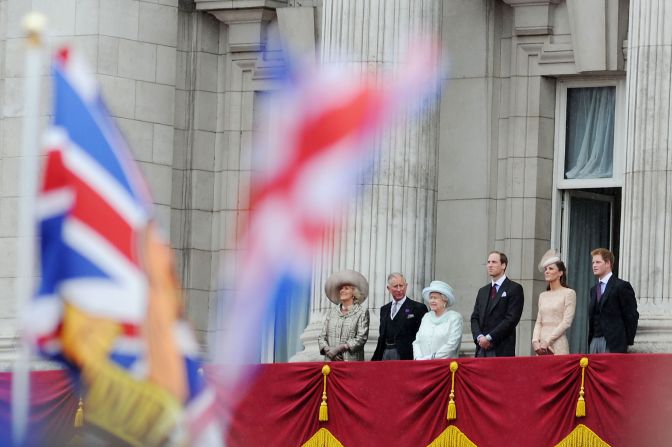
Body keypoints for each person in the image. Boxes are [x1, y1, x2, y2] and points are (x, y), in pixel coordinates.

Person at [470, 251, 524, 357]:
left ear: (503, 265)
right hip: (481, 349)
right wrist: (480, 337)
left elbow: (511, 319)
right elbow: (474, 317)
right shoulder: (483, 291)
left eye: (494, 262)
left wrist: (489, 338)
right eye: (488, 262)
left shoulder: (514, 288)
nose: (490, 265)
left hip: (501, 349)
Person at [588, 248, 639, 353]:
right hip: (595, 340)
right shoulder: (594, 290)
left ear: (608, 263)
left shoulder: (621, 286)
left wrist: (625, 342)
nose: (594, 265)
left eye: (598, 262)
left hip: (614, 343)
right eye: (593, 262)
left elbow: (631, 315)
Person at [372, 272, 428, 361]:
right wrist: (375, 360)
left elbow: (423, 336)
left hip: (406, 355)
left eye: (401, 286)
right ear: (388, 288)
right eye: (395, 286)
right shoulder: (384, 309)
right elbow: (381, 337)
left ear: (406, 286)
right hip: (385, 353)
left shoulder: (418, 308)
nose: (399, 289)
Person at [318, 270, 370, 361]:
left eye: (346, 288)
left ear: (354, 293)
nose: (342, 290)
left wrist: (339, 349)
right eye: (341, 289)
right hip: (330, 361)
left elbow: (361, 338)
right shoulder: (332, 312)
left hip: (351, 362)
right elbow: (322, 337)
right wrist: (329, 351)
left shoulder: (361, 312)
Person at [531, 250, 576, 355]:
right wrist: (535, 341)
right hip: (541, 345)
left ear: (560, 273)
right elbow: (539, 322)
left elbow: (566, 322)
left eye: (551, 269)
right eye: (546, 269)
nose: (547, 271)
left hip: (557, 342)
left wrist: (548, 340)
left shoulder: (569, 293)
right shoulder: (543, 295)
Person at [413, 280, 463, 359]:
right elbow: (417, 341)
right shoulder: (426, 317)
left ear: (444, 300)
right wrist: (418, 358)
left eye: (435, 298)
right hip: (423, 365)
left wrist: (432, 357)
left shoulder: (454, 318)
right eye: (431, 298)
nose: (432, 301)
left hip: (444, 366)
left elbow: (452, 345)